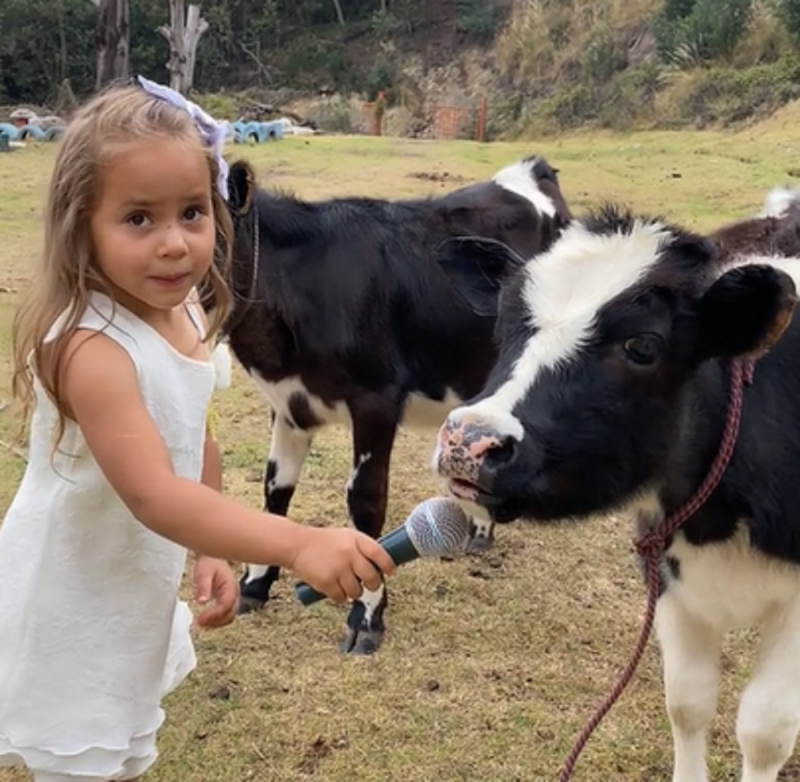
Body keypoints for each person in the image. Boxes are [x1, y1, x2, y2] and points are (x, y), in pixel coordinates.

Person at [0, 78, 395, 782]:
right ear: (81, 225)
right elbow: (155, 494)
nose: (175, 244)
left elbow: (198, 436)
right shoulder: (92, 349)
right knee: (81, 753)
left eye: (191, 212)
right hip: (72, 597)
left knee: (122, 748)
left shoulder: (183, 316)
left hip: (129, 589)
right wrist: (299, 543)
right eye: (138, 220)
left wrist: (207, 552)